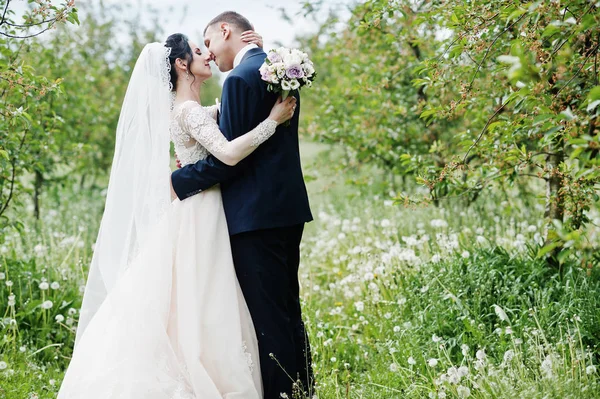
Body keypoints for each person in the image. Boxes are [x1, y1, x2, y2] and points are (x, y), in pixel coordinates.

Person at [57, 31, 296, 398]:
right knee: (203, 295)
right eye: (199, 51)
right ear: (182, 64)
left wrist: (259, 56)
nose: (208, 56)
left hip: (199, 208)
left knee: (195, 299)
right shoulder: (187, 112)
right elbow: (229, 154)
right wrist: (274, 121)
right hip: (201, 212)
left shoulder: (188, 109)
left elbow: (222, 120)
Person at [171, 11, 314, 398]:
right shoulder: (277, 68)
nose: (211, 55)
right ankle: (304, 388)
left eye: (210, 43)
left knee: (266, 317)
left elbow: (228, 160)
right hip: (288, 210)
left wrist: (178, 180)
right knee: (288, 307)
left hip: (252, 217)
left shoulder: (238, 79)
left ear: (225, 30)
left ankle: (285, 392)